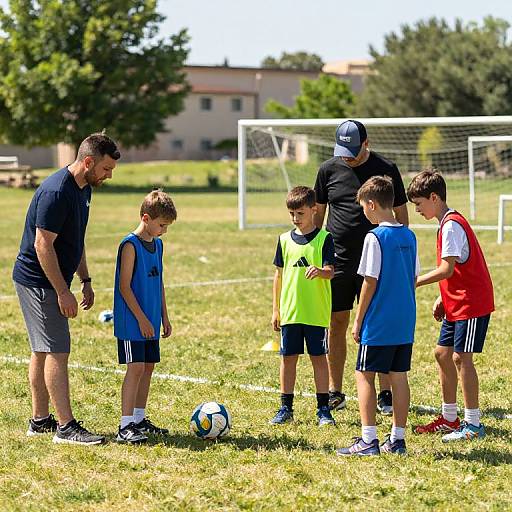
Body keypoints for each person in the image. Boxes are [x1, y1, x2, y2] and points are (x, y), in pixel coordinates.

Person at [13, 133, 120, 444]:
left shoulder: (83, 189)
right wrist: (62, 291)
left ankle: (39, 421)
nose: (109, 175)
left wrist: (85, 279)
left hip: (50, 280)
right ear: (88, 161)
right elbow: (42, 244)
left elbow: (76, 239)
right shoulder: (57, 192)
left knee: (42, 350)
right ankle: (65, 427)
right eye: (106, 169)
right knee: (57, 350)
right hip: (38, 280)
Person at [314, 119, 409, 415]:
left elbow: (402, 217)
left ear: (366, 144)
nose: (347, 156)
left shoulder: (387, 170)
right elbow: (318, 214)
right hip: (339, 262)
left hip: (377, 263)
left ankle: (384, 394)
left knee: (376, 325)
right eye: (342, 150)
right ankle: (335, 391)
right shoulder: (328, 169)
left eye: (352, 150)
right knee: (337, 323)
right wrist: (320, 252)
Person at [407, 170, 494, 442]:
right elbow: (454, 271)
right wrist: (443, 298)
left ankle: (473, 424)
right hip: (456, 302)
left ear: (434, 197)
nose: (418, 210)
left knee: (460, 357)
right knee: (442, 354)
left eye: (419, 203)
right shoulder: (445, 222)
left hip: (471, 303)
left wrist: (416, 282)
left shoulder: (452, 225)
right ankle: (449, 417)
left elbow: (447, 268)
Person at [337, 176, 418, 456]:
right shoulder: (409, 235)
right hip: (405, 319)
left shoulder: (374, 237)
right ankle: (398, 440)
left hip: (379, 321)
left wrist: (359, 320)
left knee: (364, 375)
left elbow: (369, 282)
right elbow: (414, 276)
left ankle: (368, 439)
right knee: (398, 376)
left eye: (363, 208)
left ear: (372, 204)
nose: (363, 213)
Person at [270, 186, 336, 426]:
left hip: (315, 313)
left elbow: (331, 272)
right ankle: (285, 407)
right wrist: (276, 309)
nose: (296, 218)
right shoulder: (284, 240)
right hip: (291, 312)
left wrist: (320, 271)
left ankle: (323, 409)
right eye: (292, 214)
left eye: (300, 213)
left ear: (313, 209)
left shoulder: (324, 239)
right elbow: (279, 275)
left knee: (319, 359)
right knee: (288, 359)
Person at [114, 190, 176, 443]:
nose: (163, 231)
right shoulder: (130, 245)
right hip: (133, 322)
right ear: (146, 217)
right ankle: (125, 425)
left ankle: (139, 419)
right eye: (161, 225)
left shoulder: (158, 244)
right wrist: (140, 318)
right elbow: (124, 287)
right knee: (136, 368)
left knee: (148, 367)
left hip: (151, 320)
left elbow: (159, 281)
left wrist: (165, 316)